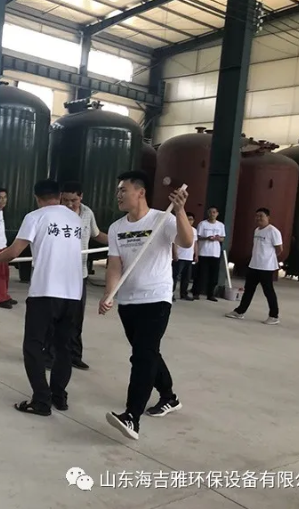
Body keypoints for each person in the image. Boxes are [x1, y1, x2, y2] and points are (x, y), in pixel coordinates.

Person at [0, 180, 83, 416]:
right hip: (73, 293)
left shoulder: (35, 217)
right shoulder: (75, 219)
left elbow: (14, 251)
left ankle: (41, 400)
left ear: (37, 198)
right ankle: (59, 396)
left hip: (45, 291)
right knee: (63, 347)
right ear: (59, 196)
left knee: (33, 345)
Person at [98, 171, 192, 441]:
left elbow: (186, 242)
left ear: (140, 192)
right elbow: (114, 265)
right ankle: (169, 397)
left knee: (142, 356)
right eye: (118, 190)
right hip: (128, 301)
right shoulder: (116, 228)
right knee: (148, 353)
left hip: (156, 299)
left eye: (123, 190)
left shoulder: (164, 219)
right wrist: (109, 294)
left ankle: (132, 416)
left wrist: (181, 211)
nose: (118, 195)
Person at [44, 181, 108, 371]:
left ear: (81, 197)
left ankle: (74, 355)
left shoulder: (87, 213)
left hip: (79, 275)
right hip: (57, 274)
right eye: (65, 200)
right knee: (53, 317)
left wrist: (117, 240)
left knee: (75, 317)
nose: (70, 204)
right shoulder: (53, 214)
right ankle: (49, 356)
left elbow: (97, 234)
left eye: (74, 200)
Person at [225, 208, 283, 325]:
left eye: (261, 216)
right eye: (257, 216)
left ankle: (274, 316)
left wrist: (269, 258)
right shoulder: (257, 230)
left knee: (268, 291)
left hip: (266, 267)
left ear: (268, 217)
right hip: (254, 265)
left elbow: (279, 249)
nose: (258, 218)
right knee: (248, 290)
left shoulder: (273, 231)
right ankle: (240, 311)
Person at [192, 206, 226, 302]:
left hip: (215, 253)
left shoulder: (220, 225)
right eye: (210, 212)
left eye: (214, 212)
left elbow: (223, 238)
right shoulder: (202, 224)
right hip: (203, 252)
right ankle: (196, 292)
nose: (212, 214)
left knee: (213, 275)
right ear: (208, 213)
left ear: (217, 214)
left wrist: (217, 238)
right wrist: (207, 238)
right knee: (201, 274)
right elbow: (197, 237)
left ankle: (210, 294)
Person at [172, 212, 198, 301]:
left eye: (191, 219)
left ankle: (183, 293)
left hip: (189, 257)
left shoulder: (194, 230)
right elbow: (174, 242)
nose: (189, 221)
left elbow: (195, 243)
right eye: (188, 219)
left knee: (186, 277)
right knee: (175, 276)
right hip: (180, 256)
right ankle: (171, 293)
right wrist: (175, 253)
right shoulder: (179, 229)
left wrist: (196, 254)